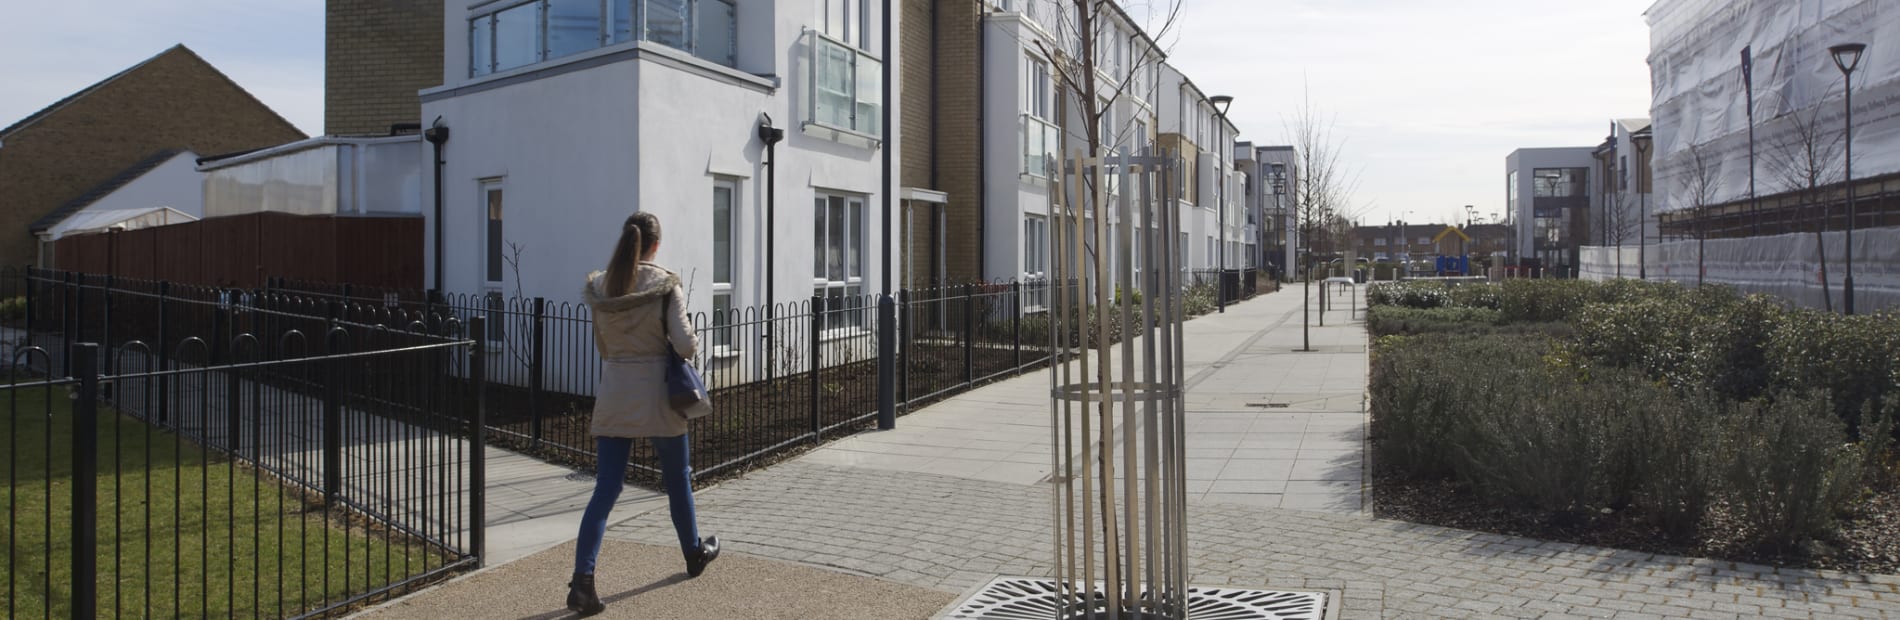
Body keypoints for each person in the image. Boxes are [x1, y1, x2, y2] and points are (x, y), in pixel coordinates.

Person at [568, 212, 719, 616]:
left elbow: (603, 345)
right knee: (677, 479)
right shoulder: (665, 284)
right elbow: (685, 345)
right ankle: (692, 553)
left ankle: (582, 582)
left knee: (606, 488)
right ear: (656, 244)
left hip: (615, 391)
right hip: (658, 395)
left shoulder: (601, 285)